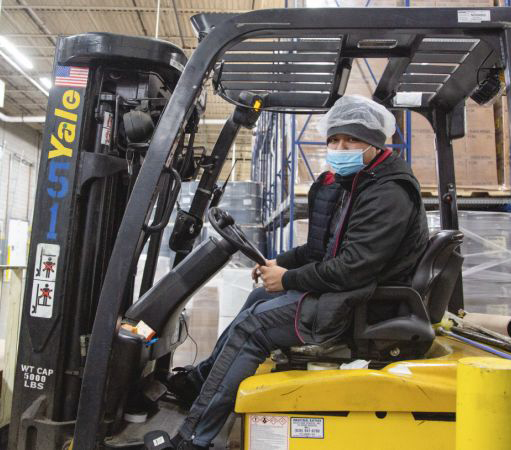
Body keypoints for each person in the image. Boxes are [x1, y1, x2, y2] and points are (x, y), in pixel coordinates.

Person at [161, 95, 429, 450]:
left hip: (364, 303)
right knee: (259, 297)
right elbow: (320, 251)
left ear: (374, 144)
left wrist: (287, 279)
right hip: (353, 293)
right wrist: (279, 265)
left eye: (352, 140)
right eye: (334, 139)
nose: (340, 147)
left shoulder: (386, 194)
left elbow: (352, 268)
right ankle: (199, 382)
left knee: (251, 328)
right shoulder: (359, 184)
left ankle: (194, 437)